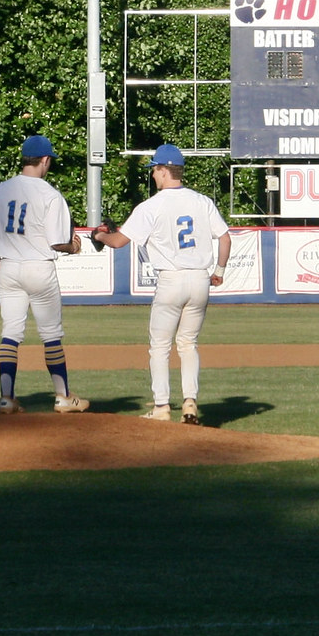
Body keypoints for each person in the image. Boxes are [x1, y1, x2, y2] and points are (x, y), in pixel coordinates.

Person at [91, 143, 231, 425]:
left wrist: (99, 237)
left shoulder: (151, 206)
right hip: (200, 279)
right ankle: (190, 403)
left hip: (171, 280)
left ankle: (162, 407)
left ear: (165, 171)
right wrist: (219, 270)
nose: (153, 175)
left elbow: (118, 242)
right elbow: (225, 238)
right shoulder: (202, 201)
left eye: (155, 169)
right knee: (188, 343)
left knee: (160, 347)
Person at [0, 135, 90, 415]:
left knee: (10, 333)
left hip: (10, 266)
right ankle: (62, 397)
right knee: (50, 335)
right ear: (45, 160)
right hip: (39, 267)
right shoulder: (50, 194)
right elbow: (57, 242)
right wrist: (73, 248)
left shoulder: (0, 190)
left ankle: (6, 399)